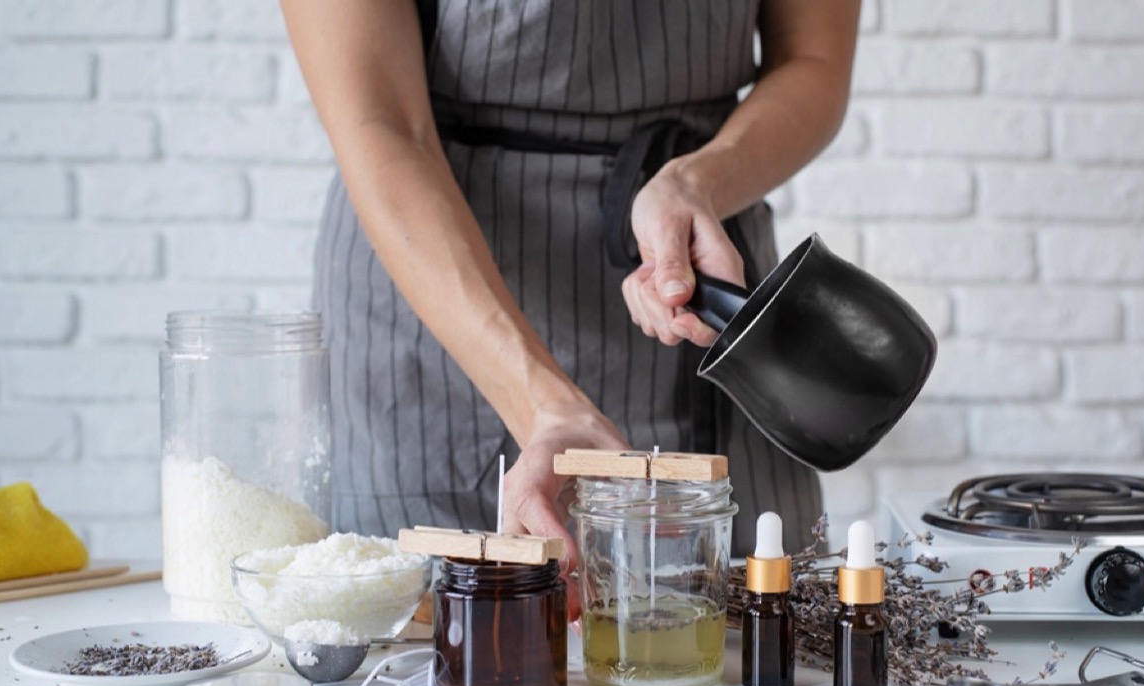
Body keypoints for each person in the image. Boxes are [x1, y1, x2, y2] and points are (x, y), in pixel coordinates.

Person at [280, 0, 859, 563]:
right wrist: (541, 405)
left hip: (699, 284)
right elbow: (382, 126)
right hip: (442, 325)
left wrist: (696, 181)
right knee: (431, 639)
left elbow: (814, 62)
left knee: (745, 636)